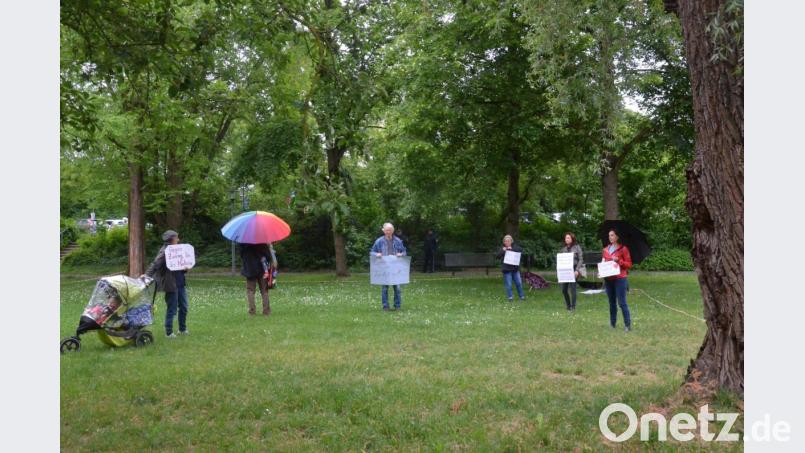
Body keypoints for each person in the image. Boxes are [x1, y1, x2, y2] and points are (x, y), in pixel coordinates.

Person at [143, 230, 189, 338]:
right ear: (172, 239)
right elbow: (155, 264)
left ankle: (182, 329)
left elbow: (180, 265)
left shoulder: (178, 250)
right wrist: (146, 275)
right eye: (177, 237)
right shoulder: (165, 251)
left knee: (184, 307)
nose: (178, 240)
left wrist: (185, 269)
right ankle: (169, 332)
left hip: (180, 282)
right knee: (172, 308)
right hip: (171, 284)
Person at [371, 222, 407, 311]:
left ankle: (397, 306)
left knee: (397, 288)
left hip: (395, 268)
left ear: (393, 231)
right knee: (384, 288)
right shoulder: (379, 241)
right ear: (383, 231)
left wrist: (401, 254)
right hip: (384, 268)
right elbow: (371, 252)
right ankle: (385, 306)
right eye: (387, 230)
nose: (388, 232)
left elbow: (405, 252)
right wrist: (377, 254)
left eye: (390, 230)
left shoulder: (398, 241)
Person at [602, 229, 633, 332]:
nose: (610, 237)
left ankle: (627, 325)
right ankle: (612, 323)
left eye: (612, 235)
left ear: (617, 237)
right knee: (612, 303)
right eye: (609, 235)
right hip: (608, 279)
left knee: (622, 302)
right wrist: (601, 272)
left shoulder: (623, 249)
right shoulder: (605, 249)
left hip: (620, 279)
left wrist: (618, 260)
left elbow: (629, 264)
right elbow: (604, 264)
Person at [240, 243, 274, 315]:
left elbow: (242, 255)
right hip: (262, 269)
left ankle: (252, 311)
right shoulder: (262, 242)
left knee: (250, 291)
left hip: (250, 269)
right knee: (264, 290)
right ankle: (266, 311)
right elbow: (268, 257)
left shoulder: (244, 243)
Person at [559, 232, 584, 311]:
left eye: (569, 238)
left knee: (573, 289)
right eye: (566, 238)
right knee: (564, 289)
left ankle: (573, 306)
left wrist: (577, 270)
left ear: (572, 239)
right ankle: (568, 305)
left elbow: (581, 259)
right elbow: (561, 261)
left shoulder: (577, 247)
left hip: (574, 269)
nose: (567, 239)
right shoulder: (563, 249)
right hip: (565, 270)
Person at [496, 234, 525, 302]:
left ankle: (522, 297)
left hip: (515, 270)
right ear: (504, 242)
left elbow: (521, 250)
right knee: (508, 285)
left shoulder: (515, 247)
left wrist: (511, 249)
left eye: (508, 241)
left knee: (518, 283)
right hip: (506, 270)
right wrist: (504, 251)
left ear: (511, 241)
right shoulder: (503, 249)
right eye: (505, 241)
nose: (507, 242)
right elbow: (497, 256)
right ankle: (510, 297)